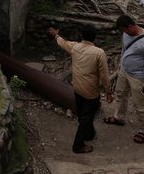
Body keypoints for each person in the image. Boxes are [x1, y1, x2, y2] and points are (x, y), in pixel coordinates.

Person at [48, 26, 113, 154]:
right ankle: (78, 145)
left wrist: (56, 35)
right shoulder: (99, 52)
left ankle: (89, 134)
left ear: (82, 36)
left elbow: (62, 42)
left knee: (82, 113)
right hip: (91, 92)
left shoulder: (74, 47)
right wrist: (108, 91)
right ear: (94, 38)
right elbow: (104, 76)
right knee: (87, 117)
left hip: (77, 88)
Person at [104, 15, 144, 144]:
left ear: (131, 26)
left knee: (140, 104)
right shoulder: (126, 34)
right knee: (120, 94)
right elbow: (124, 50)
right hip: (124, 72)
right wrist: (121, 66)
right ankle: (119, 117)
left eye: (125, 30)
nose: (124, 33)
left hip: (138, 77)